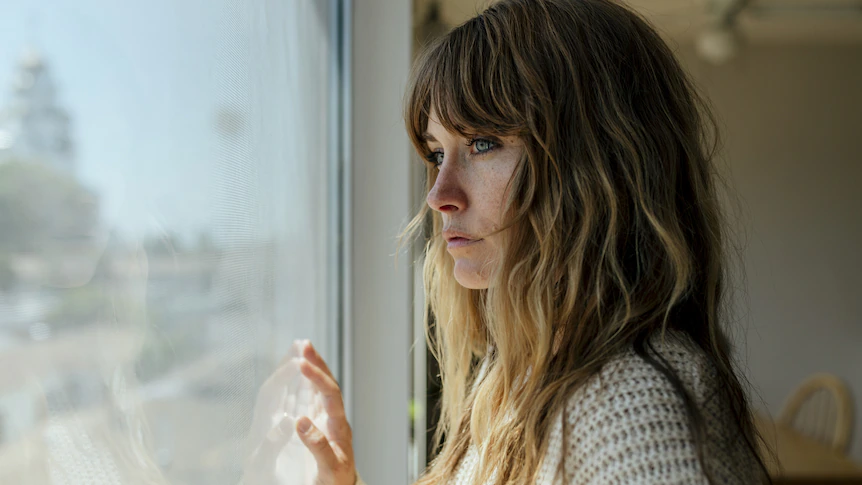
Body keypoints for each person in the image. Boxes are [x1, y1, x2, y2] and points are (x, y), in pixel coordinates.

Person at [284, 0, 773, 483]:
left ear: (598, 168)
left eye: (482, 143)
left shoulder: (634, 410)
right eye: (436, 154)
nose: (438, 195)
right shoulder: (523, 376)